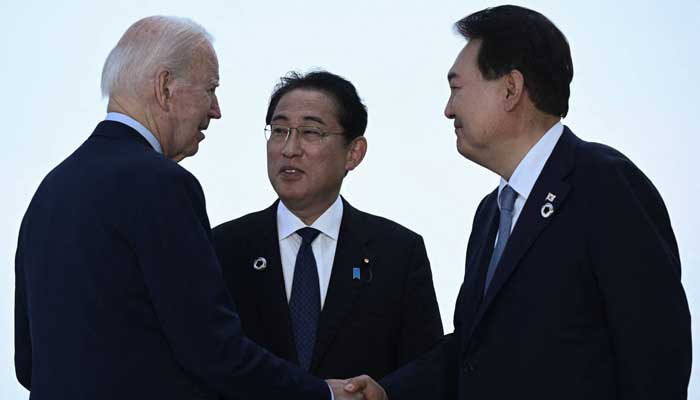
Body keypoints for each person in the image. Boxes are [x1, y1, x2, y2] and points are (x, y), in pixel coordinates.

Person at [346, 5, 692, 400]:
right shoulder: (491, 213)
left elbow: (656, 352)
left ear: (510, 89)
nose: (448, 109)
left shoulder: (605, 183)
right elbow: (471, 350)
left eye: (456, 88)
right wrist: (388, 392)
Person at [14, 16, 361, 400]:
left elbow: (27, 361)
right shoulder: (160, 184)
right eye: (210, 89)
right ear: (165, 87)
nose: (215, 110)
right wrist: (321, 394)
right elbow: (211, 351)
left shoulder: (50, 190)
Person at [212, 71, 444, 382]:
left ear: (354, 153)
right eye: (279, 131)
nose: (289, 148)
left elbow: (426, 372)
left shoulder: (398, 253)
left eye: (310, 132)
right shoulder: (224, 247)